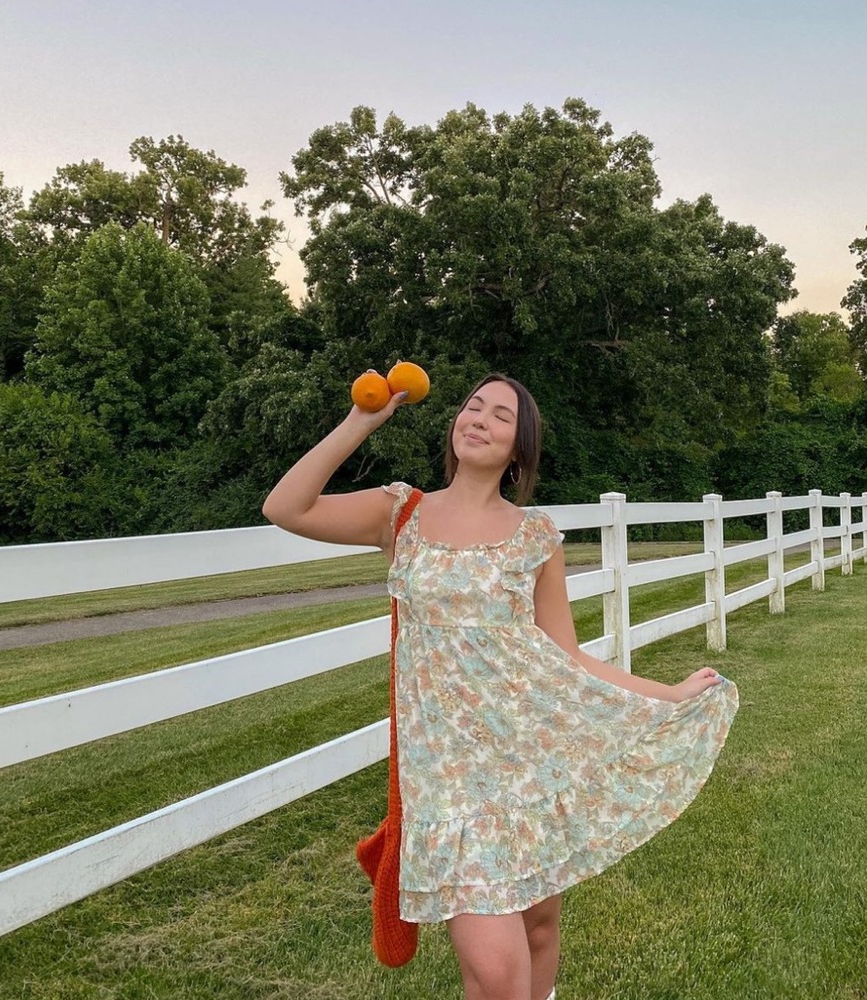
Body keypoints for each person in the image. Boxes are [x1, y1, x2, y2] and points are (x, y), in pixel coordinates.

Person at [262, 373, 738, 1000]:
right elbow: (285, 507)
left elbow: (563, 656)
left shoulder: (534, 537)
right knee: (496, 971)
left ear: (519, 450)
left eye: (501, 415)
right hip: (448, 781)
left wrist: (665, 694)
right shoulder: (399, 513)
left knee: (539, 930)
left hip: (526, 763)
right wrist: (362, 420)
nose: (479, 418)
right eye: (472, 407)